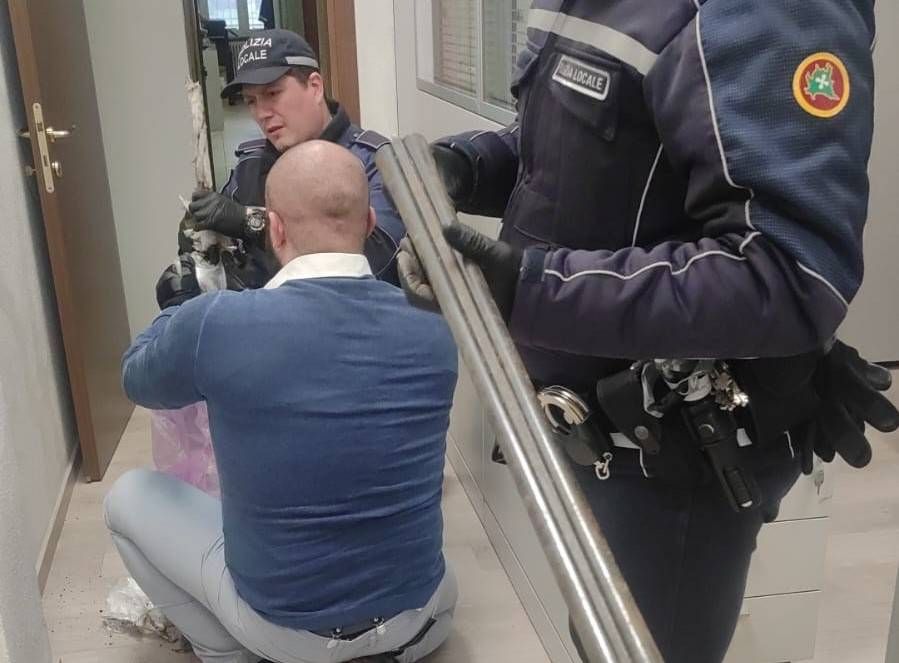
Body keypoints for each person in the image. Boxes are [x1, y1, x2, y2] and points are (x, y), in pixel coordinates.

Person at [397, 2, 899, 662]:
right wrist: (469, 165)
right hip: (588, 441)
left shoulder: (765, 12)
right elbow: (580, 147)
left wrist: (531, 288)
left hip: (670, 461)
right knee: (595, 636)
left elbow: (786, 274)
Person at [107, 141, 459, 663]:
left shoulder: (219, 323)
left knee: (127, 496)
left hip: (289, 634)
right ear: (368, 223)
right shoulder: (435, 325)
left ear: (273, 228)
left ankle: (226, 651)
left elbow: (137, 379)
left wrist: (177, 308)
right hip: (418, 618)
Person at [185, 28, 405, 287]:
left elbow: (378, 255)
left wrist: (251, 222)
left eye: (272, 94)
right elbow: (231, 255)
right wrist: (202, 246)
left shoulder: (377, 161)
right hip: (262, 309)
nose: (262, 113)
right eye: (251, 101)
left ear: (315, 87)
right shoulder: (250, 162)